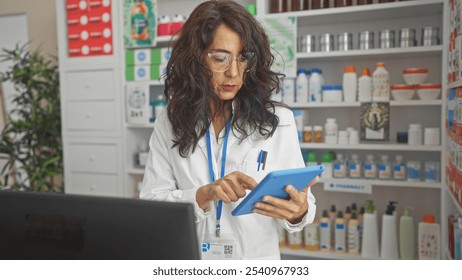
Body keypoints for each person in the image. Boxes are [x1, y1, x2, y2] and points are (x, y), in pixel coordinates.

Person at [140, 0, 317, 260]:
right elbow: (152, 205)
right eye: (221, 58)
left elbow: (304, 207)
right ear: (195, 58)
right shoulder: (170, 121)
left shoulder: (279, 121)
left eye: (243, 58)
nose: (234, 72)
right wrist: (203, 194)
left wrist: (299, 211)